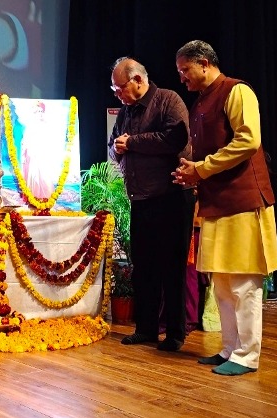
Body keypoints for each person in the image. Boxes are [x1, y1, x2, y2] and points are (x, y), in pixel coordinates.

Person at [174, 40, 277, 375]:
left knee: (242, 283)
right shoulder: (201, 101)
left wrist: (202, 168)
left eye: (185, 70)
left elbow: (248, 140)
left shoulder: (237, 91)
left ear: (204, 63)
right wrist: (191, 171)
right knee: (220, 282)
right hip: (217, 202)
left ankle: (247, 356)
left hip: (243, 200)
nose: (182, 78)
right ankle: (229, 348)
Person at [108, 57, 190, 351]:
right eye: (114, 89)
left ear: (138, 80)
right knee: (144, 268)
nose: (117, 94)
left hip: (172, 197)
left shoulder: (168, 100)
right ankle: (146, 329)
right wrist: (119, 148)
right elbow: (113, 145)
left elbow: (174, 139)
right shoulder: (126, 112)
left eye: (119, 88)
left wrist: (132, 143)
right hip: (140, 200)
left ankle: (175, 334)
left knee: (172, 268)